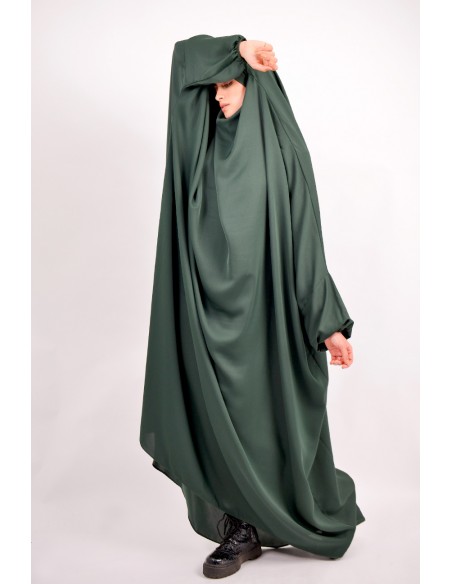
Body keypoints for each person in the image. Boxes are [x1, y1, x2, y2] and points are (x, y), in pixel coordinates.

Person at [139, 34, 365, 580]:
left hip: (268, 314)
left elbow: (305, 240)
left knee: (263, 419)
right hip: (205, 312)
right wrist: (237, 48)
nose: (217, 95)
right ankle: (238, 529)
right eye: (214, 86)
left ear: (256, 87)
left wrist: (328, 323)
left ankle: (276, 517)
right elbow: (183, 62)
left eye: (228, 85)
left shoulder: (285, 153)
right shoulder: (198, 143)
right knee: (218, 421)